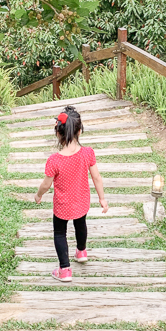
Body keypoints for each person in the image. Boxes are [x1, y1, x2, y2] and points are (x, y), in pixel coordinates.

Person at [34, 105, 108, 282]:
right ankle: (81, 251)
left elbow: (46, 184)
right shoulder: (88, 153)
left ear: (58, 133)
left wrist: (39, 195)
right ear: (80, 131)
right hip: (81, 201)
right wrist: (102, 198)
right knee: (80, 223)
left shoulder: (54, 160)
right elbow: (97, 177)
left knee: (60, 232)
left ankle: (65, 269)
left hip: (62, 205)